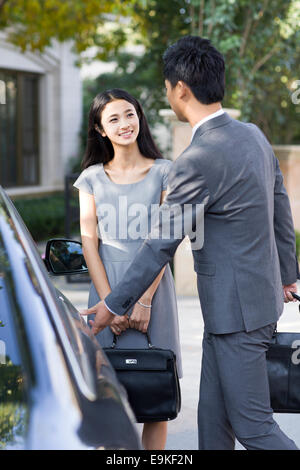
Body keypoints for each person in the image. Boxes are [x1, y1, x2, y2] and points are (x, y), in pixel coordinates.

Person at [82, 36, 300, 450]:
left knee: (255, 428)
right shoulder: (252, 135)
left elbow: (160, 244)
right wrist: (288, 275)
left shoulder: (198, 159)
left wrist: (110, 307)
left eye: (167, 86)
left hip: (237, 317)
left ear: (180, 89)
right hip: (237, 309)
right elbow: (280, 209)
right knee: (213, 430)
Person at [73, 88, 182, 450]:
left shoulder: (166, 172)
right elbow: (90, 242)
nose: (124, 124)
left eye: (130, 114)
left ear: (140, 117)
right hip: (106, 289)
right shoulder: (90, 177)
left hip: (155, 293)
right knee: (107, 396)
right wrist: (111, 303)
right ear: (101, 129)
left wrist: (143, 300)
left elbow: (164, 242)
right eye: (113, 119)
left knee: (156, 399)